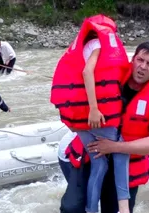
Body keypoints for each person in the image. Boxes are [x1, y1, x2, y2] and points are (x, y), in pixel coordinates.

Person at [59, 41, 149, 213]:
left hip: (127, 164)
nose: (142, 67)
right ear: (132, 60)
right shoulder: (110, 76)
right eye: (140, 60)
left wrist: (114, 147)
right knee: (71, 207)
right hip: (91, 153)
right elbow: (79, 80)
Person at [51, 14, 131, 213]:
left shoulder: (83, 46)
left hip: (79, 116)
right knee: (120, 154)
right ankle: (121, 208)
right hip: (99, 117)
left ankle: (91, 210)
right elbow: (87, 72)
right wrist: (94, 109)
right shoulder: (97, 44)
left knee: (99, 165)